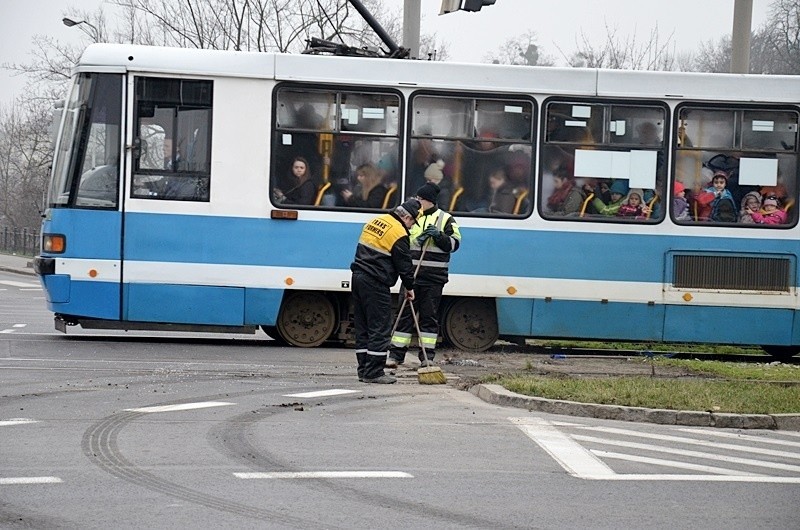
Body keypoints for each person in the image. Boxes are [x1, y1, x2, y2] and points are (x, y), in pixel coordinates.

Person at [388, 183, 461, 368]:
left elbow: (454, 245)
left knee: (429, 318)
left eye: (420, 199)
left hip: (434, 279)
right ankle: (396, 356)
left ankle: (427, 357)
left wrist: (438, 236)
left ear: (428, 201)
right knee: (404, 316)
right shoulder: (411, 217)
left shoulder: (445, 219)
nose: (417, 201)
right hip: (411, 276)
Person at [350, 199, 420, 384]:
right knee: (380, 327)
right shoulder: (398, 233)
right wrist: (410, 288)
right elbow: (404, 266)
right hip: (376, 282)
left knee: (363, 326)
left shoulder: (375, 221)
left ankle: (364, 369)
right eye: (412, 222)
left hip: (357, 277)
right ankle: (373, 373)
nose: (412, 227)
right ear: (406, 217)